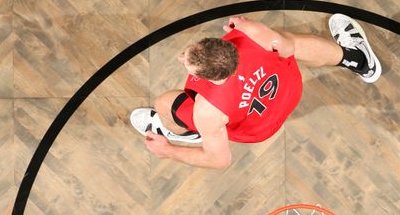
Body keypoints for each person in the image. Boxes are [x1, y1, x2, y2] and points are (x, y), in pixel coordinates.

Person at [130, 13, 381, 169]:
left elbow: (219, 160)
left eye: (188, 63)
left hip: (259, 127)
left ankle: (188, 133)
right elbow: (284, 48)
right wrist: (244, 24)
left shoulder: (208, 111)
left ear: (200, 77)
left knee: (165, 103)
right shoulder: (254, 33)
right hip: (289, 89)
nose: (183, 58)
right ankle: (358, 59)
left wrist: (169, 151)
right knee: (287, 41)